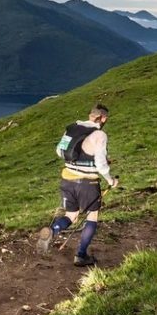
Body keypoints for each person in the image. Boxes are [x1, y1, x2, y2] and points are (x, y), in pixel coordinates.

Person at [36, 104, 118, 266]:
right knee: (92, 216)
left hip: (67, 179)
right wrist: (111, 180)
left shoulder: (72, 128)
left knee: (71, 215)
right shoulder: (99, 134)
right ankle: (81, 256)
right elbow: (101, 164)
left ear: (90, 115)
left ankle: (52, 231)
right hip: (88, 182)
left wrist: (80, 159)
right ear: (103, 118)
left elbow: (59, 151)